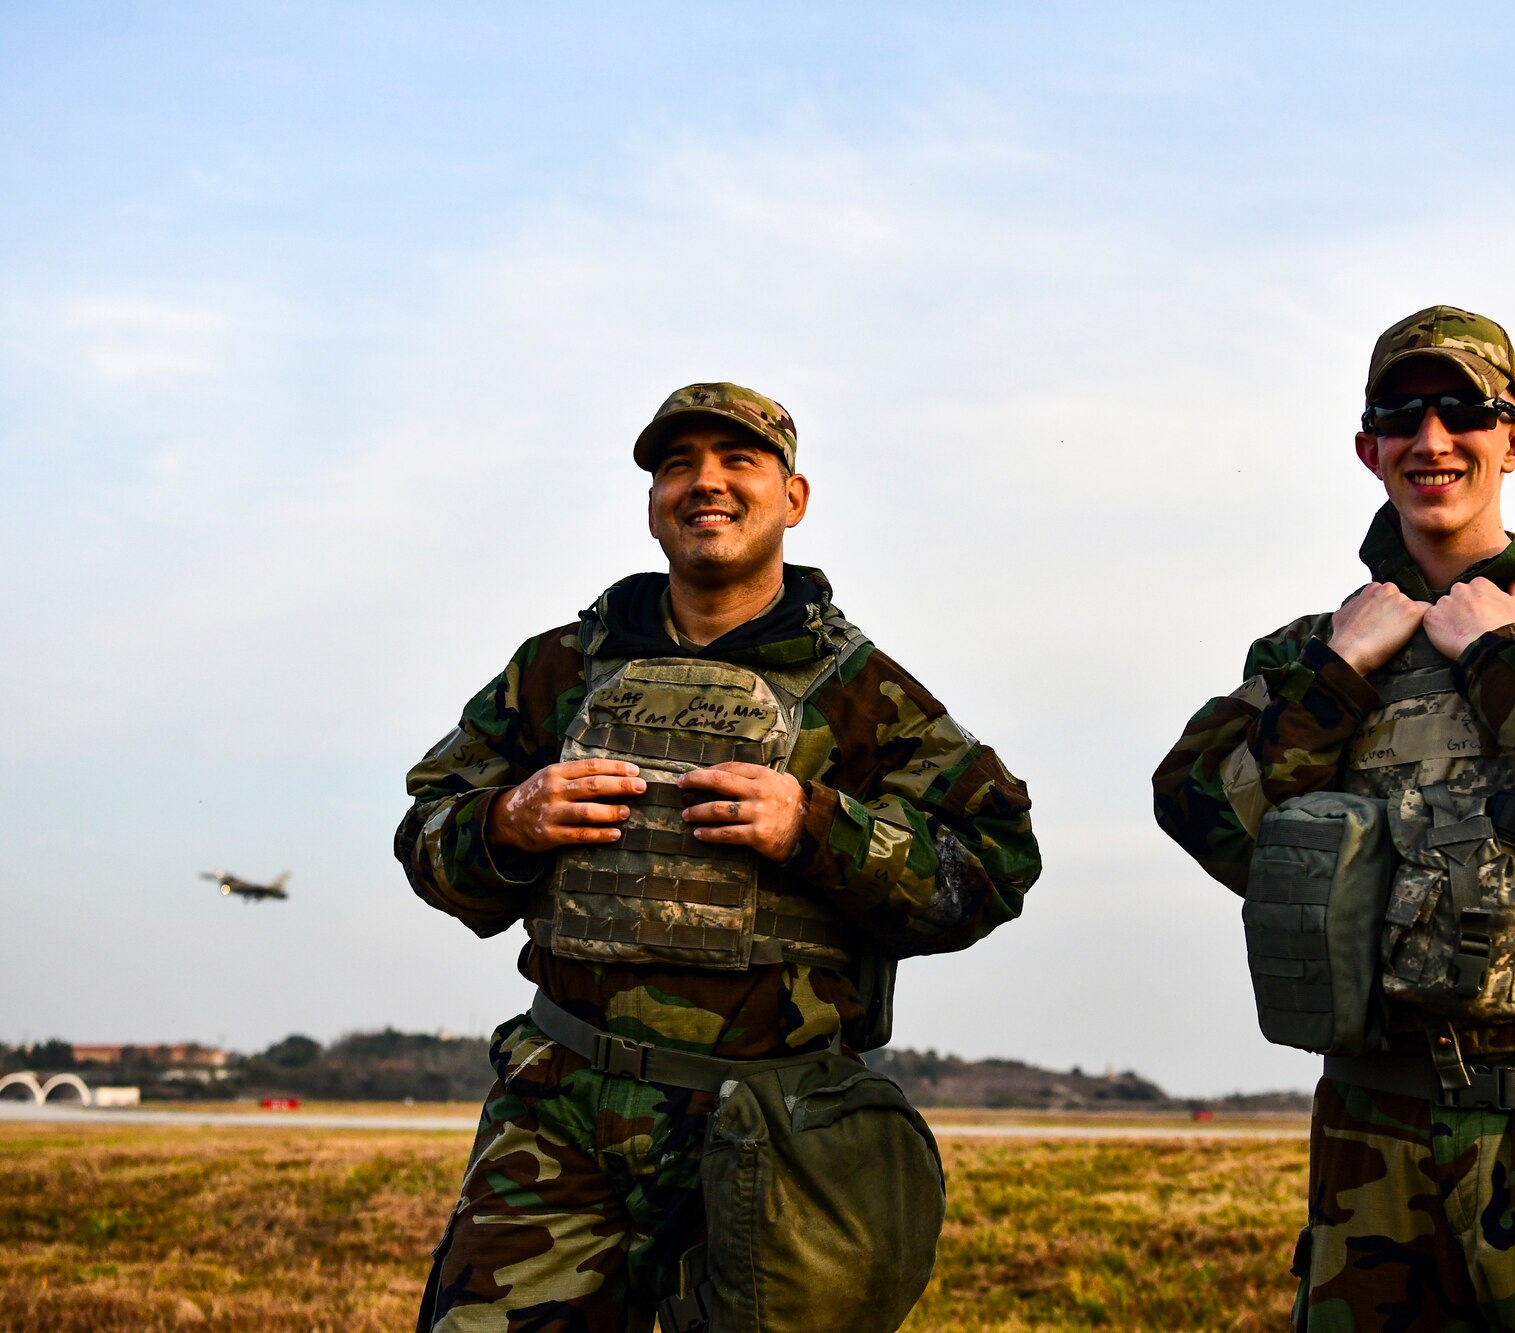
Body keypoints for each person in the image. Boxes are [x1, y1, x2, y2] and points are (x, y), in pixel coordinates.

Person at [397, 382, 1040, 1332]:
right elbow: (425, 832)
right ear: (652, 503)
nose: (706, 483)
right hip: (562, 1107)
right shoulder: (557, 671)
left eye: (738, 461)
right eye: (676, 465)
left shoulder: (862, 692)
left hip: (772, 1127)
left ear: (794, 497)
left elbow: (995, 861)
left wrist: (818, 827)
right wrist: (506, 821)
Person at [1153, 307, 1515, 1331]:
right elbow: (1205, 817)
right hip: (1378, 1136)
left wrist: (1498, 660)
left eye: (1463, 409)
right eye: (1400, 414)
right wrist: (1339, 675)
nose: (1431, 439)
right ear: (1367, 448)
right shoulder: (1312, 649)